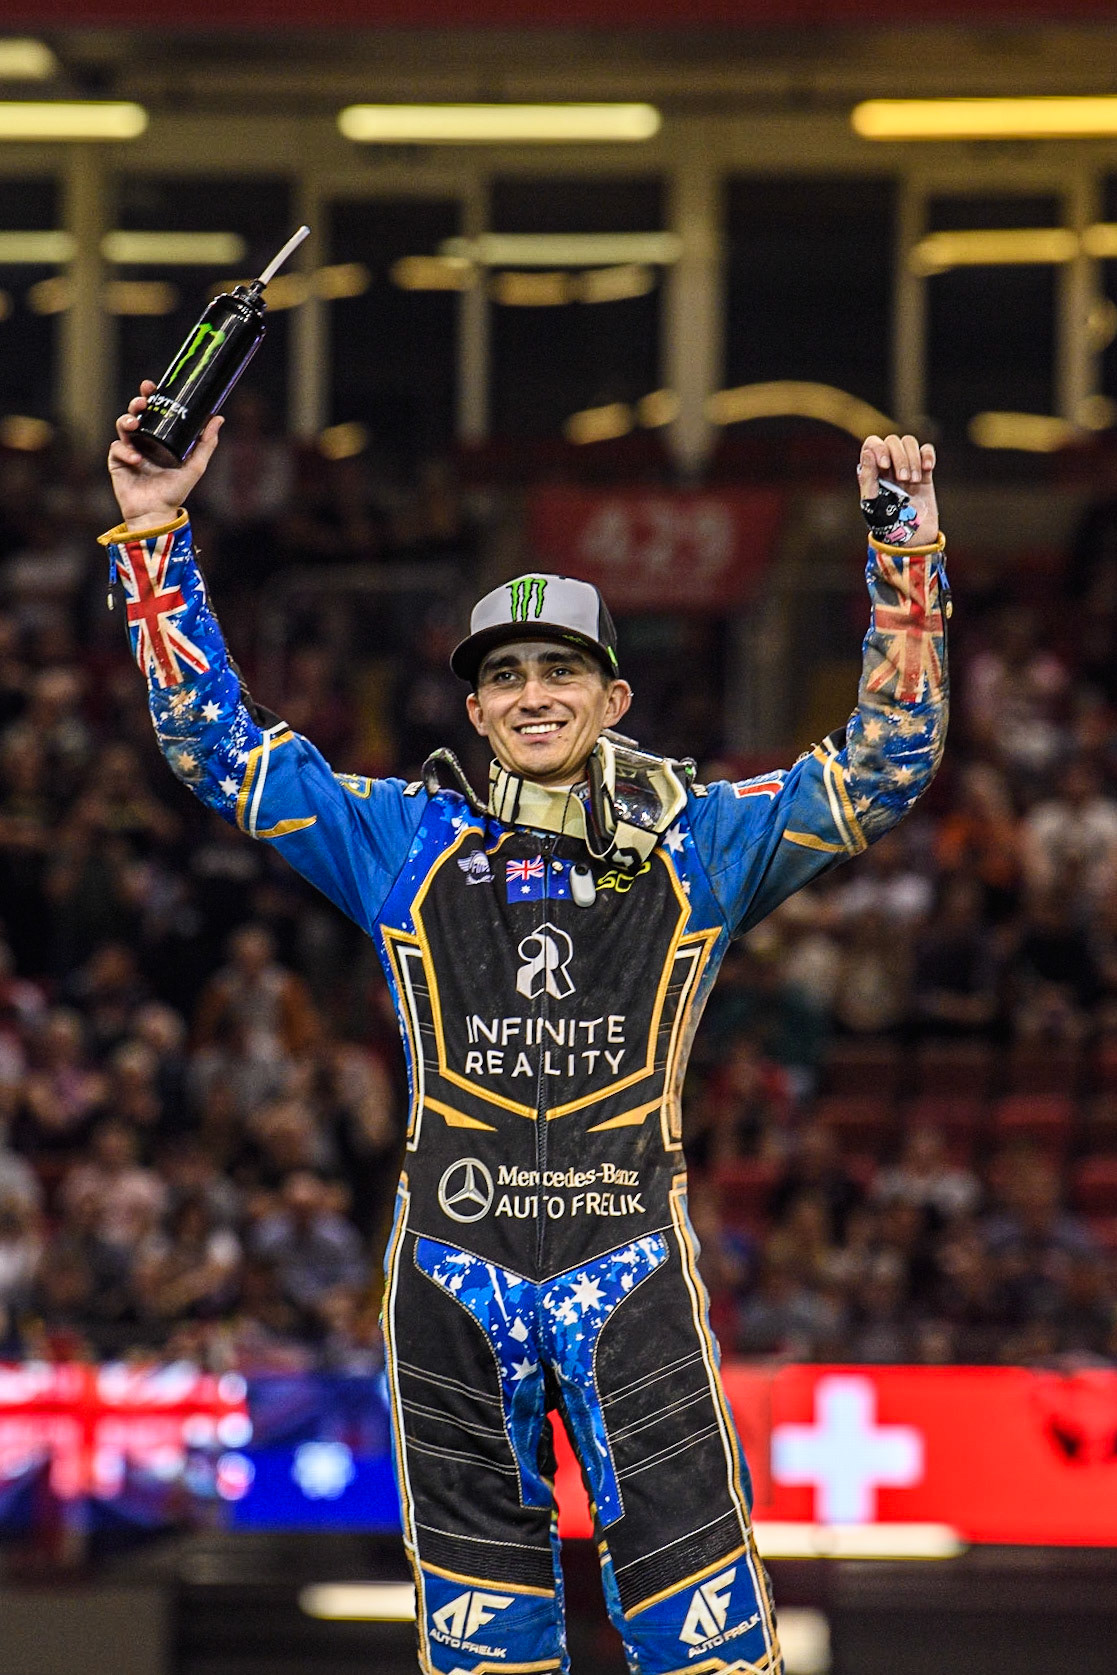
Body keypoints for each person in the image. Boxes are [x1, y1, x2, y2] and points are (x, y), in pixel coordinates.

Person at [104, 388, 948, 1675]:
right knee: (484, 1650)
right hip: (447, 1277)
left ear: (612, 697)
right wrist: (156, 528)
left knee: (707, 1644)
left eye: (560, 670)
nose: (533, 693)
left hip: (632, 1273)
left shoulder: (697, 845)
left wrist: (905, 555)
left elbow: (888, 758)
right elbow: (213, 746)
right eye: (506, 674)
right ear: (477, 709)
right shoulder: (405, 839)